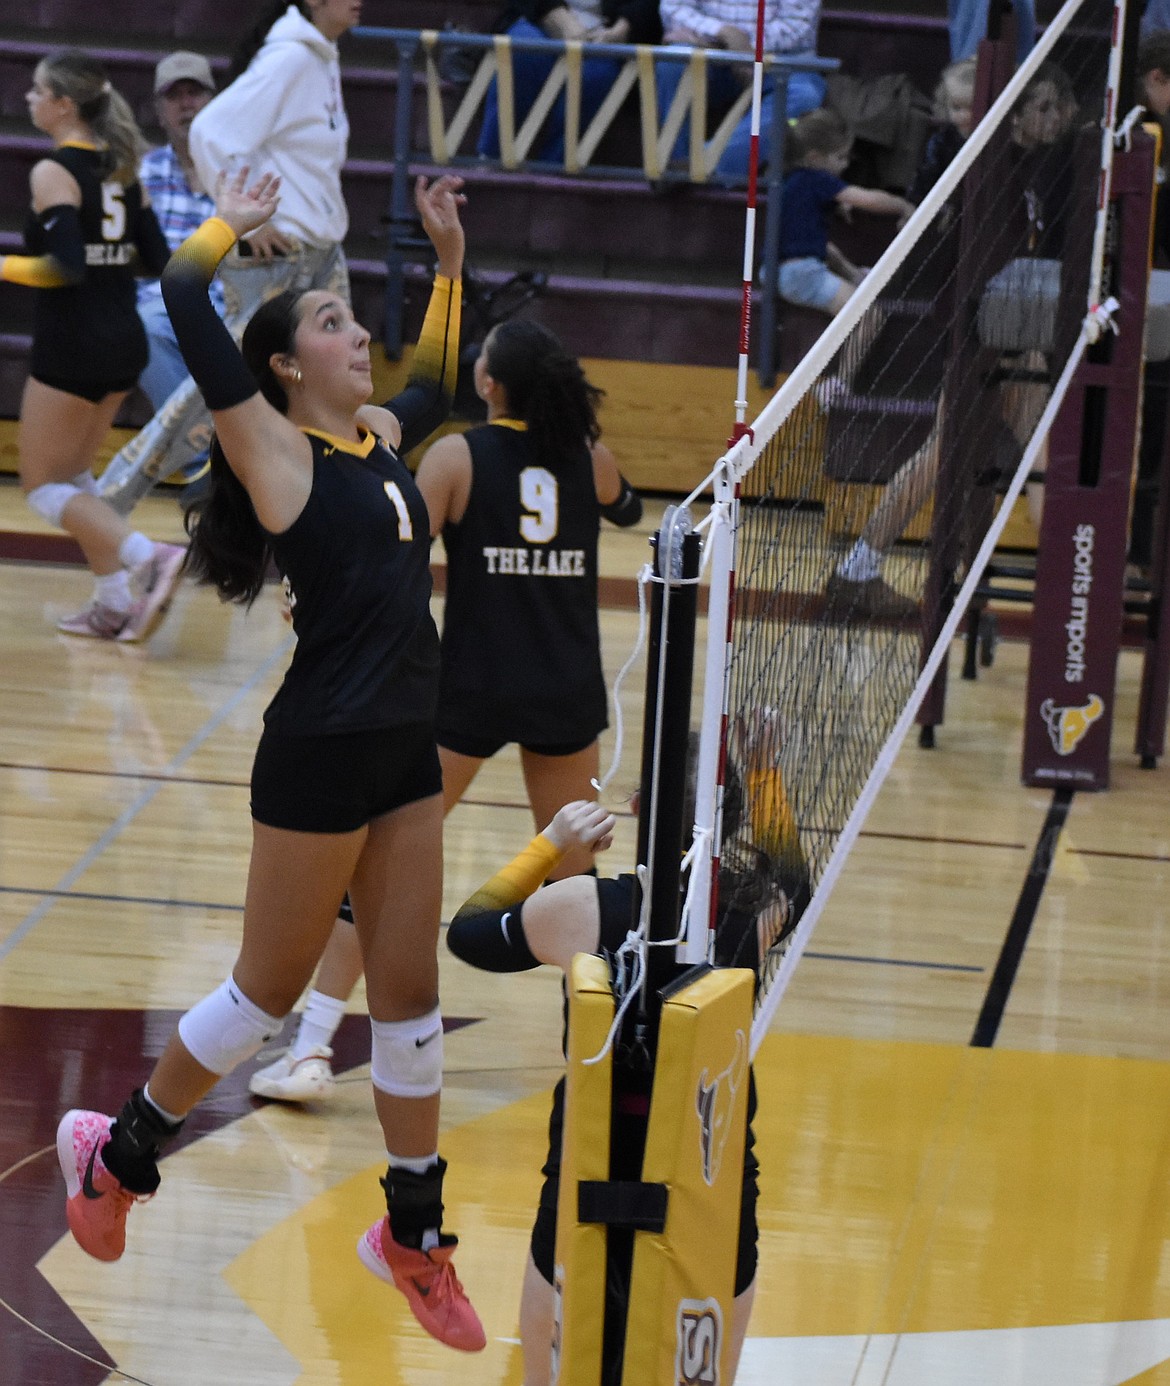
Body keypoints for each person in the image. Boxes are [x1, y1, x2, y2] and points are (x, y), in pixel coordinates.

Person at [55, 167, 487, 1353]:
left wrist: (450, 263)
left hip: (405, 744)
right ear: (289, 365)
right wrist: (225, 232)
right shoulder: (275, 451)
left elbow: (440, 381)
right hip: (319, 755)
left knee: (409, 1005)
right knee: (265, 996)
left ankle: (413, 1234)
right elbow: (189, 300)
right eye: (334, 323)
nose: (358, 336)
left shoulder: (382, 438)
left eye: (354, 318)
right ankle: (118, 1156)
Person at [249, 316, 644, 1102]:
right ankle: (605, 1058)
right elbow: (630, 510)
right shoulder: (586, 455)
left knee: (375, 875)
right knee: (579, 878)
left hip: (468, 687)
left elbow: (384, 538)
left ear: (490, 386)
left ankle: (313, 1050)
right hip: (564, 685)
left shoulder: (460, 456)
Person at [445, 714, 809, 1386]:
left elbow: (469, 932)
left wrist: (551, 842)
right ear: (732, 818)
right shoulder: (754, 912)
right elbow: (797, 880)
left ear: (638, 809)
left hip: (590, 1168)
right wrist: (765, 773)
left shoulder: (584, 908)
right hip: (710, 1182)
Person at [822, 64, 1080, 621]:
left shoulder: (1027, 166)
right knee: (1019, 451)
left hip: (1011, 325)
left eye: (1058, 107)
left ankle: (869, 568)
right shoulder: (980, 163)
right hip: (985, 328)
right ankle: (1072, 593)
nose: (1053, 118)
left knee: (991, 450)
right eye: (1043, 107)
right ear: (1012, 112)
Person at [99, 0, 359, 513]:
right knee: (218, 385)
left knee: (331, 382)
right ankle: (112, 495)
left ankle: (321, 506)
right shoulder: (290, 58)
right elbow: (210, 132)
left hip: (323, 254)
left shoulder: (321, 55)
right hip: (280, 257)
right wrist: (239, 213)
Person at [5, 49, 186, 642]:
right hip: (122, 342)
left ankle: (150, 557)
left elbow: (65, 268)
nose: (29, 99)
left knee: (42, 487)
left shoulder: (53, 171)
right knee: (78, 478)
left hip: (73, 346)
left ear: (63, 104)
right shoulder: (123, 169)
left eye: (37, 91)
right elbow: (160, 262)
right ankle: (112, 602)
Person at [97, 51, 221, 515]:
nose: (187, 105)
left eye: (196, 93)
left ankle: (205, 464)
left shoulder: (239, 169)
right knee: (141, 329)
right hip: (161, 306)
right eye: (176, 96)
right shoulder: (143, 173)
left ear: (215, 100)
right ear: (159, 109)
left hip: (227, 303)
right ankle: (207, 461)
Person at [655, 0, 826, 182]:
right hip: (708, 51)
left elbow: (795, 25)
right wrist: (724, 34)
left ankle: (709, 167)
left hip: (780, 60)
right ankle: (674, 163)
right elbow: (673, 8)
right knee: (672, 64)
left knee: (804, 94)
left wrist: (740, 46)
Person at [477, 0, 662, 163]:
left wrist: (619, 31)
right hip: (540, 17)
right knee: (523, 50)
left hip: (605, 34)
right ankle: (492, 155)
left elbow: (645, 5)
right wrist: (563, 22)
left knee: (598, 74)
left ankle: (553, 170)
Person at [777, 108, 915, 317]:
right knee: (869, 317)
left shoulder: (791, 179)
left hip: (777, 268)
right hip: (802, 274)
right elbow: (866, 200)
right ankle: (850, 351)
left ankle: (856, 277)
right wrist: (903, 206)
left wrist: (836, 203)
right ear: (814, 158)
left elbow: (802, 209)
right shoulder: (818, 178)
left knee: (829, 251)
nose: (846, 163)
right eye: (840, 157)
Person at [905, 58, 977, 207]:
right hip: (946, 209)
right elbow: (925, 178)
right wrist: (914, 205)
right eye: (956, 108)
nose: (963, 115)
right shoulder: (942, 141)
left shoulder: (997, 137)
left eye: (971, 108)